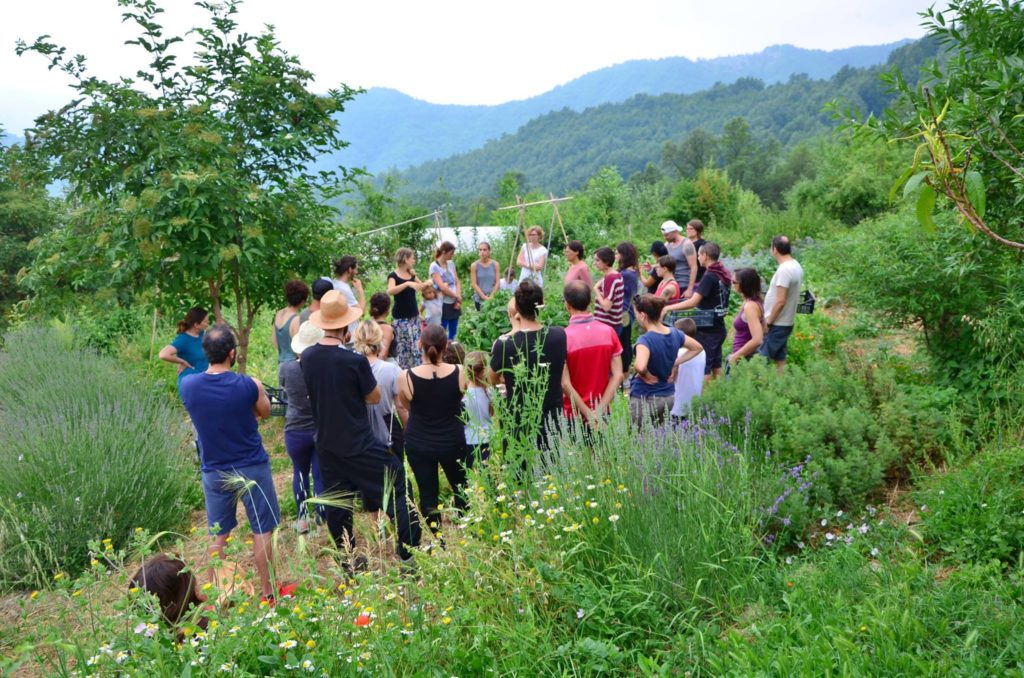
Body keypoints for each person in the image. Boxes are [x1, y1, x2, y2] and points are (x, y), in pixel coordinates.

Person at [300, 291, 421, 568]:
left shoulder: (307, 358)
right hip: (357, 440)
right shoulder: (353, 361)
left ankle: (349, 560)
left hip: (327, 443)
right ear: (346, 327)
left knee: (337, 503)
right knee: (398, 487)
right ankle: (408, 554)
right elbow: (374, 396)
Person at [179, 324, 280, 598]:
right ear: (232, 353)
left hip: (214, 469)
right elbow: (266, 412)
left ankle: (215, 596)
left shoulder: (188, 385)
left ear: (206, 353)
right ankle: (269, 592)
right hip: (252, 466)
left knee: (218, 534)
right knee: (262, 529)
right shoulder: (249, 384)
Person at [397, 325, 469, 538]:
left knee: (428, 493)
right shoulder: (460, 372)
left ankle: (438, 539)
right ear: (446, 346)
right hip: (453, 440)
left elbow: (407, 406)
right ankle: (466, 531)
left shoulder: (406, 376)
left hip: (419, 442)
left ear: (420, 345)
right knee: (461, 488)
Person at [490, 281, 568, 449]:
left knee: (520, 472)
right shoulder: (559, 335)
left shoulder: (505, 345)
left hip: (519, 422)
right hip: (552, 420)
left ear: (517, 310)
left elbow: (492, 378)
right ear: (541, 305)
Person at [280, 321, 326, 534]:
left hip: (295, 428)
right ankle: (322, 518)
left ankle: (302, 519)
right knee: (319, 474)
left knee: (299, 472)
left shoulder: (287, 368)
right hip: (319, 427)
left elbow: (283, 389)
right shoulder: (322, 369)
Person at [664, 242, 732, 381]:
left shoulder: (710, 276)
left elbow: (693, 301)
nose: (698, 258)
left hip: (707, 329)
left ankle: (703, 401)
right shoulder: (722, 273)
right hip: (719, 326)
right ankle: (721, 397)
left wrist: (668, 307)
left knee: (705, 367)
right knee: (716, 365)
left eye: (699, 255)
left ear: (705, 256)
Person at [561, 280, 623, 424]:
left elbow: (565, 384)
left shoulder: (564, 338)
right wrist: (598, 411)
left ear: (567, 305)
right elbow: (618, 374)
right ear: (589, 303)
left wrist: (588, 414)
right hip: (602, 412)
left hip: (573, 414)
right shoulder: (609, 332)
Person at [353, 321, 407, 460]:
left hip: (359, 425)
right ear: (379, 340)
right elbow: (401, 406)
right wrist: (407, 429)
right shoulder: (392, 369)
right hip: (387, 423)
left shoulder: (350, 368)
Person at [629, 295, 685, 424]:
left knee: (641, 439)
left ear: (642, 315)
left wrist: (646, 374)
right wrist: (675, 363)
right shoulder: (675, 333)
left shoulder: (645, 340)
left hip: (645, 398)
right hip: (668, 396)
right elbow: (697, 348)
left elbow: (640, 366)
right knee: (659, 437)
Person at [760, 235, 804, 374]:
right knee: (780, 359)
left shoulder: (785, 270)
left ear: (775, 249)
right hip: (786, 322)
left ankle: (757, 390)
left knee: (761, 360)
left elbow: (780, 301)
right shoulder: (795, 265)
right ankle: (782, 388)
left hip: (777, 323)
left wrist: (768, 321)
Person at [387, 247, 428, 370]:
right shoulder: (393, 275)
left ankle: (417, 370)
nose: (414, 260)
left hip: (413, 316)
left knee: (415, 344)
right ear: (405, 259)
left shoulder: (410, 274)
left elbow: (421, 287)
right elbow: (390, 291)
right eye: (412, 258)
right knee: (403, 346)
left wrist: (421, 280)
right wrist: (407, 284)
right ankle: (404, 372)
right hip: (400, 318)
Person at [158, 307, 210, 391]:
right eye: (205, 321)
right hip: (191, 383)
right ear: (196, 324)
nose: (208, 323)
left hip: (204, 379)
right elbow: (163, 354)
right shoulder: (183, 339)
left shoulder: (201, 334)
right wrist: (182, 361)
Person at [670, 317, 707, 420]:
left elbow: (671, 378)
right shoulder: (702, 352)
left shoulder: (678, 353)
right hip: (695, 403)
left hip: (677, 406)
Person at [728, 267, 765, 367]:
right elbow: (764, 328)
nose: (732, 284)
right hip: (743, 356)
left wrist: (735, 356)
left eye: (734, 282)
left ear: (744, 285)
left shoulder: (750, 306)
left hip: (745, 359)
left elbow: (758, 339)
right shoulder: (752, 301)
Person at [463, 351, 494, 466]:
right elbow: (492, 413)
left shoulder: (464, 395)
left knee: (470, 473)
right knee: (486, 471)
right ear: (484, 370)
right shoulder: (489, 391)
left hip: (468, 439)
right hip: (487, 437)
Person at [616, 241, 641, 374]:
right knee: (625, 340)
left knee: (623, 342)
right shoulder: (633, 271)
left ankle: (624, 370)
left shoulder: (625, 274)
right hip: (628, 311)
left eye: (617, 253)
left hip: (623, 311)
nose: (615, 255)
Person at [270, 279, 308, 368]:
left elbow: (274, 341)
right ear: (302, 301)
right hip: (293, 365)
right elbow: (298, 349)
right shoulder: (296, 319)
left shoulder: (279, 313)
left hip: (281, 363)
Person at [430, 241, 462, 340]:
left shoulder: (451, 263)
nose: (452, 255)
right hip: (442, 302)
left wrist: (458, 298)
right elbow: (442, 287)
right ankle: (442, 349)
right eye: (451, 253)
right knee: (442, 329)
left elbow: (457, 281)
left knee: (454, 329)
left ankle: (452, 347)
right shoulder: (434, 266)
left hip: (454, 301)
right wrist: (456, 296)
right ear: (444, 252)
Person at [329, 255, 365, 336]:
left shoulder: (334, 283)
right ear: (349, 269)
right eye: (355, 269)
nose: (356, 272)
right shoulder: (344, 288)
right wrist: (360, 290)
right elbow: (361, 312)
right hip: (349, 334)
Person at [662, 220, 697, 299]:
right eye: (664, 235)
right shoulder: (667, 245)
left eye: (667, 235)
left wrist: (690, 289)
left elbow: (694, 267)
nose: (665, 238)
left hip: (683, 284)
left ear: (675, 232)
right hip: (670, 284)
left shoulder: (687, 245)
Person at [593, 247, 624, 330]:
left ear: (606, 261)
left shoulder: (610, 278)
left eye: (597, 260)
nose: (594, 263)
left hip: (608, 325)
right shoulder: (616, 274)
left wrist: (596, 290)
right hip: (613, 324)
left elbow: (606, 307)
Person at [470, 241, 500, 311]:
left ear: (489, 251)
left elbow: (498, 282)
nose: (482, 252)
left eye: (484, 250)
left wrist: (492, 296)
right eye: (480, 250)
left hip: (493, 298)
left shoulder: (495, 264)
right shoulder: (474, 265)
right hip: (479, 299)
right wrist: (484, 297)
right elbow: (474, 284)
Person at [369, 292, 395, 361]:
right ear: (387, 309)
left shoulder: (366, 325)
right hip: (383, 365)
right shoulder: (386, 328)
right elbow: (382, 354)